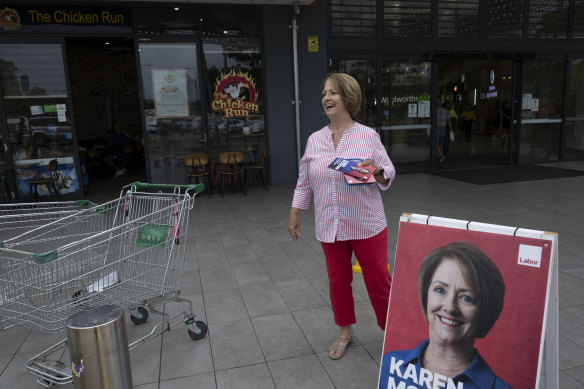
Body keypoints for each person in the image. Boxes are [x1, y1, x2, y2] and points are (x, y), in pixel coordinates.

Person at [288, 73, 395, 360]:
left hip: (367, 223)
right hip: (330, 225)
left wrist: (378, 170)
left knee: (378, 282)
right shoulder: (315, 140)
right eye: (324, 93)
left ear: (348, 97)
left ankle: (393, 335)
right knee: (338, 282)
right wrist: (295, 211)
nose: (326, 98)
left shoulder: (367, 135)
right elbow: (304, 180)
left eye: (333, 92)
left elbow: (388, 171)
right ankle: (345, 331)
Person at [379, 242, 511, 389]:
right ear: (425, 296)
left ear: (485, 312)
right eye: (440, 290)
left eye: (466, 297)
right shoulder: (390, 363)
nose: (450, 307)